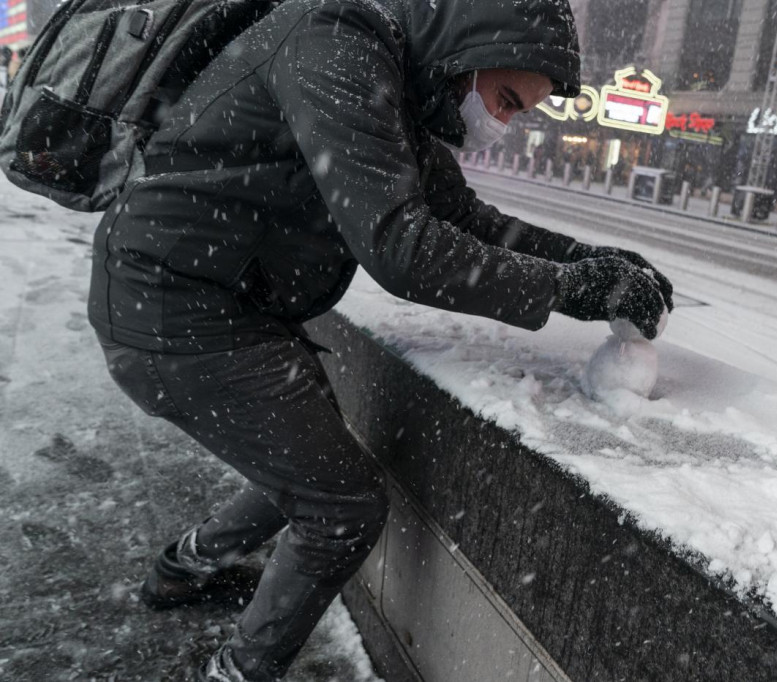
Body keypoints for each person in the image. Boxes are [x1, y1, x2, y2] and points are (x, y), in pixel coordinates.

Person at [87, 0, 674, 680]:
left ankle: (182, 566)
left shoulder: (393, 79)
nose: (505, 123)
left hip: (223, 305)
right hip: (172, 310)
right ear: (467, 51)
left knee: (309, 470)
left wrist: (588, 260)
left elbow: (460, 217)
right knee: (342, 506)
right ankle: (237, 668)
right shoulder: (336, 44)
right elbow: (404, 248)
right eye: (508, 99)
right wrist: (569, 289)